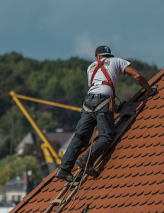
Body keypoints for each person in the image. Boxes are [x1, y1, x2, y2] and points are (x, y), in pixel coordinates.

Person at [55, 45, 155, 182]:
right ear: (109, 56)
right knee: (106, 137)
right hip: (103, 102)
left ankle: (64, 169)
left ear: (97, 57)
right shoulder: (118, 61)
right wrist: (150, 91)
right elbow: (137, 76)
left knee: (79, 137)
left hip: (88, 103)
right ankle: (86, 160)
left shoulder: (90, 67)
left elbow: (97, 86)